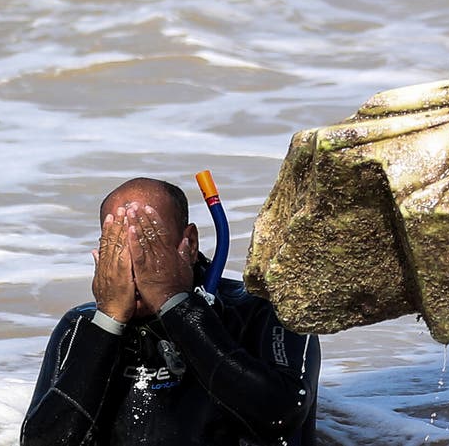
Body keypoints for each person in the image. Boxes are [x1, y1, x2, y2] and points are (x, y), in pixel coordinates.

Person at [21, 177, 320, 445]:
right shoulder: (81, 327)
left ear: (189, 244)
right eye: (119, 248)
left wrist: (175, 305)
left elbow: (281, 417)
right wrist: (108, 321)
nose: (136, 264)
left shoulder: (263, 310)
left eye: (150, 243)